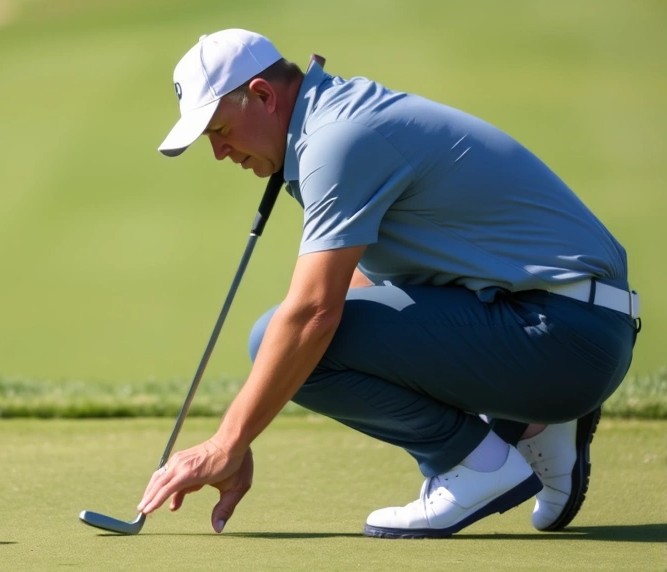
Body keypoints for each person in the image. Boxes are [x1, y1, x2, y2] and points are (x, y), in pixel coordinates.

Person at [138, 28, 640, 538]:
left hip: (561, 337)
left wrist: (227, 443)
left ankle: (479, 467)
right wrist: (242, 429)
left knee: (279, 335)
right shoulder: (335, 118)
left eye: (220, 130)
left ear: (264, 96)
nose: (220, 152)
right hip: (573, 326)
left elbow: (314, 313)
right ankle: (536, 421)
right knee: (293, 344)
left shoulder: (336, 138)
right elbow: (362, 289)